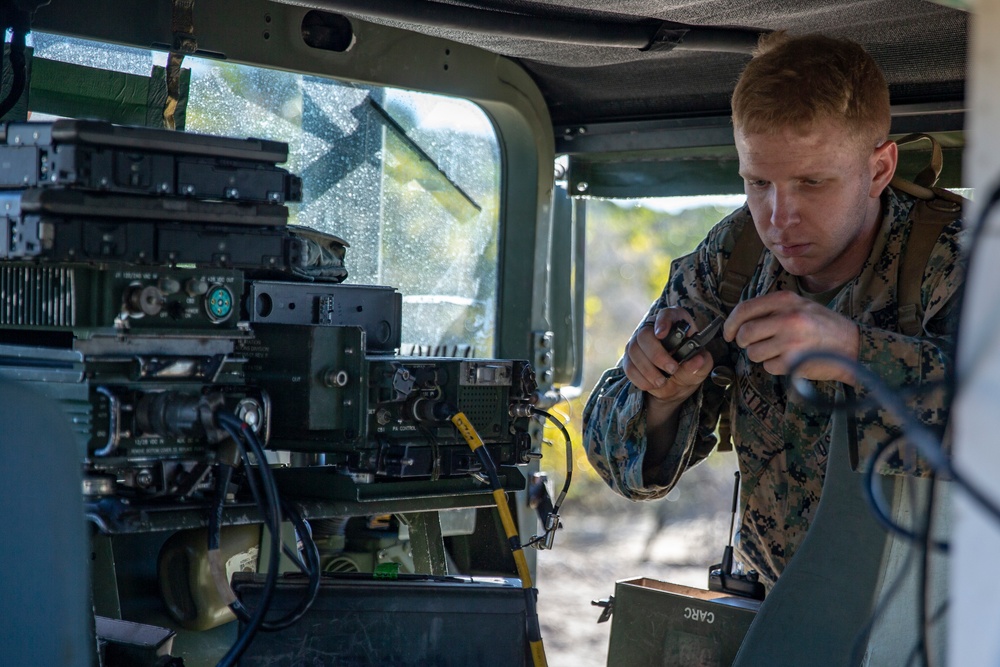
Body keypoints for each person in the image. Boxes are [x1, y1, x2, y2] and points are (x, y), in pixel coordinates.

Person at [582, 31, 964, 590]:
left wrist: (858, 355)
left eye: (813, 183)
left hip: (939, 621)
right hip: (778, 605)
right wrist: (659, 397)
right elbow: (620, 465)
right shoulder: (735, 255)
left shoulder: (962, 259)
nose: (779, 217)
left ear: (880, 169)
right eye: (758, 182)